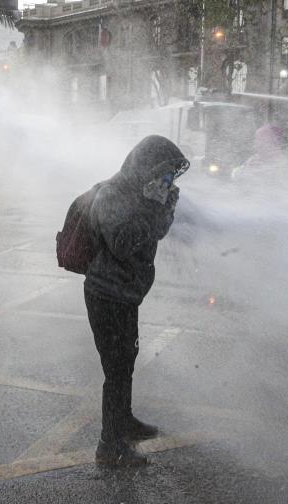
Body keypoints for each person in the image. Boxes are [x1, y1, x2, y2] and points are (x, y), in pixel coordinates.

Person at [84, 135, 187, 467]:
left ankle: (123, 421)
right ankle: (109, 447)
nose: (166, 180)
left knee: (126, 360)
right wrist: (153, 207)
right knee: (116, 368)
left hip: (125, 294)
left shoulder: (142, 195)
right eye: (164, 173)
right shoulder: (113, 194)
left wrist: (165, 206)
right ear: (146, 167)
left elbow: (157, 232)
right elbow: (123, 243)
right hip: (107, 295)